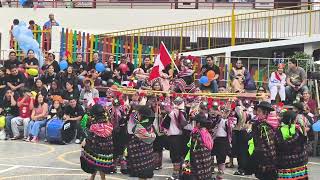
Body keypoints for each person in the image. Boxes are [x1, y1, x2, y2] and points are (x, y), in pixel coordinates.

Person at [80, 104, 116, 180]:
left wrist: (85, 142)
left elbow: (89, 137)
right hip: (108, 150)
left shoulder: (94, 125)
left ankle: (102, 179)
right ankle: (92, 178)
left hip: (99, 149)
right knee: (97, 162)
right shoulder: (108, 122)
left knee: (92, 157)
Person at [246, 101, 277, 180]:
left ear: (265, 113)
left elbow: (270, 144)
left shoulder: (265, 126)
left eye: (259, 111)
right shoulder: (257, 124)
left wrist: (272, 160)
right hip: (259, 155)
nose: (257, 113)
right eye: (257, 111)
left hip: (266, 158)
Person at [275, 110, 309, 180]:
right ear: (291, 120)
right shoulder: (297, 129)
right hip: (299, 162)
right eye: (295, 118)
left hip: (284, 163)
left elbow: (279, 145)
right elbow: (303, 142)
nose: (296, 120)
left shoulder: (279, 130)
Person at [127, 105, 156, 179]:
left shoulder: (138, 127)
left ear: (142, 115)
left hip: (140, 158)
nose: (137, 115)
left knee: (142, 176)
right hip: (148, 155)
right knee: (144, 176)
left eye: (138, 114)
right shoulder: (150, 125)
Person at [182, 113, 213, 179]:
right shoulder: (206, 133)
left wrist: (187, 163)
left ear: (198, 123)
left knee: (186, 173)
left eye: (195, 122)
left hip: (196, 164)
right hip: (206, 163)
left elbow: (192, 150)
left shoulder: (196, 134)